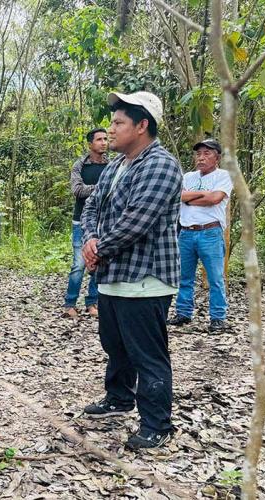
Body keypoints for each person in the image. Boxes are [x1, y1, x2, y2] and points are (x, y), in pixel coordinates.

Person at [80, 91, 182, 450]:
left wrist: (97, 248)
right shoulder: (115, 166)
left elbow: (136, 221)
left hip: (146, 279)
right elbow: (92, 206)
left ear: (142, 126)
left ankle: (157, 425)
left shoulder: (161, 165)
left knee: (147, 353)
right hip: (112, 276)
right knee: (115, 345)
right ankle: (119, 397)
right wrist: (90, 240)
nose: (111, 129)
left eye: (119, 123)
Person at [168, 139, 232, 333]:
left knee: (215, 278)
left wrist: (191, 198)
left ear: (217, 157)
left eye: (207, 153)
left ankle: (218, 318)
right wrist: (202, 195)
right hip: (186, 233)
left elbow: (215, 199)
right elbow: (177, 196)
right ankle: (183, 313)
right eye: (199, 154)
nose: (201, 158)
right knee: (184, 277)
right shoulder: (187, 176)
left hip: (210, 232)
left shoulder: (224, 176)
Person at [62, 128, 109, 319]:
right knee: (79, 264)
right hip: (80, 221)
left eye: (105, 139)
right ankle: (70, 303)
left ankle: (92, 302)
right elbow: (77, 190)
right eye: (99, 139)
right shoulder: (80, 165)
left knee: (98, 262)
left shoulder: (112, 165)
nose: (104, 142)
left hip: (105, 221)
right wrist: (101, 188)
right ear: (90, 144)